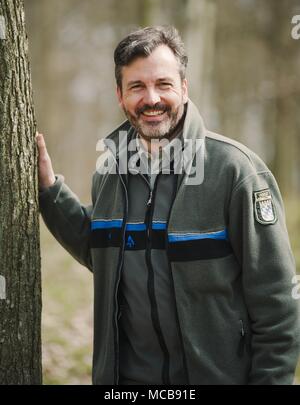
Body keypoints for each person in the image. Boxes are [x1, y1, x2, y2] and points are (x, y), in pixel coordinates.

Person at [37, 25, 300, 385]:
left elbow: (277, 305)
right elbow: (104, 253)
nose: (152, 98)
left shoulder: (236, 172)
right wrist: (50, 191)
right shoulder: (109, 172)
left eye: (163, 84)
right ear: (120, 95)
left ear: (184, 88)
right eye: (137, 87)